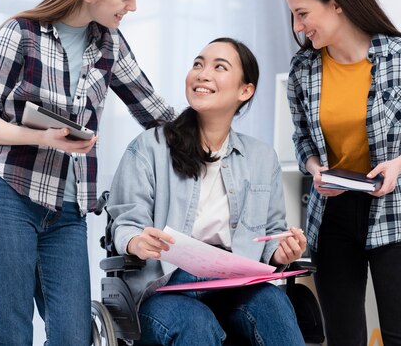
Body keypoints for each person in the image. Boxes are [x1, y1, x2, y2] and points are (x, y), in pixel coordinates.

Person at [0, 0, 175, 346]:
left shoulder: (109, 44)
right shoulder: (21, 33)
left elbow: (156, 113)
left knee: (74, 337)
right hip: (9, 197)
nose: (133, 7)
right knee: (10, 334)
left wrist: (218, 126)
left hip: (67, 213)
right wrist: (43, 137)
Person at [282, 0, 401, 346]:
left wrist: (398, 164)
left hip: (399, 210)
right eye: (293, 16)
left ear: (336, 3)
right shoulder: (303, 70)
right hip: (332, 214)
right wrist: (316, 168)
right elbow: (302, 137)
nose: (298, 27)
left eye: (303, 13)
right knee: (343, 338)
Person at [106, 38, 308, 346]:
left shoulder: (261, 158)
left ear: (245, 91)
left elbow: (271, 235)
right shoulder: (149, 147)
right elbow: (125, 222)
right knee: (196, 324)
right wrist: (136, 240)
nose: (202, 73)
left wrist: (282, 251)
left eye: (219, 67)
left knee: (274, 304)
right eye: (198, 64)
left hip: (232, 286)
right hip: (164, 288)